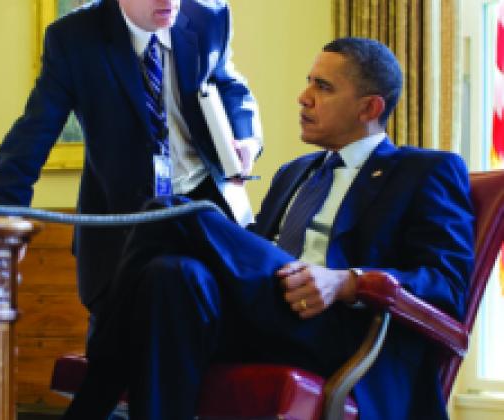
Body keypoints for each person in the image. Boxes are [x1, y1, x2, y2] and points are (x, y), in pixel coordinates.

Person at [62, 37, 475, 420]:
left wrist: (346, 282)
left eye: (324, 88)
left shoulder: (425, 171)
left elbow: (448, 285)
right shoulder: (294, 173)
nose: (304, 97)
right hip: (264, 316)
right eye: (308, 82)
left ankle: (98, 387)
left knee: (178, 213)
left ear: (370, 108)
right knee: (171, 274)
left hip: (337, 328)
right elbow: (254, 259)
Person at [0, 0, 262, 320]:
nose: (169, 1)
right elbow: (31, 138)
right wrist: (0, 229)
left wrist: (248, 141)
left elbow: (229, 84)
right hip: (122, 232)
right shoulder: (73, 38)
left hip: (206, 209)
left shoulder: (209, 17)